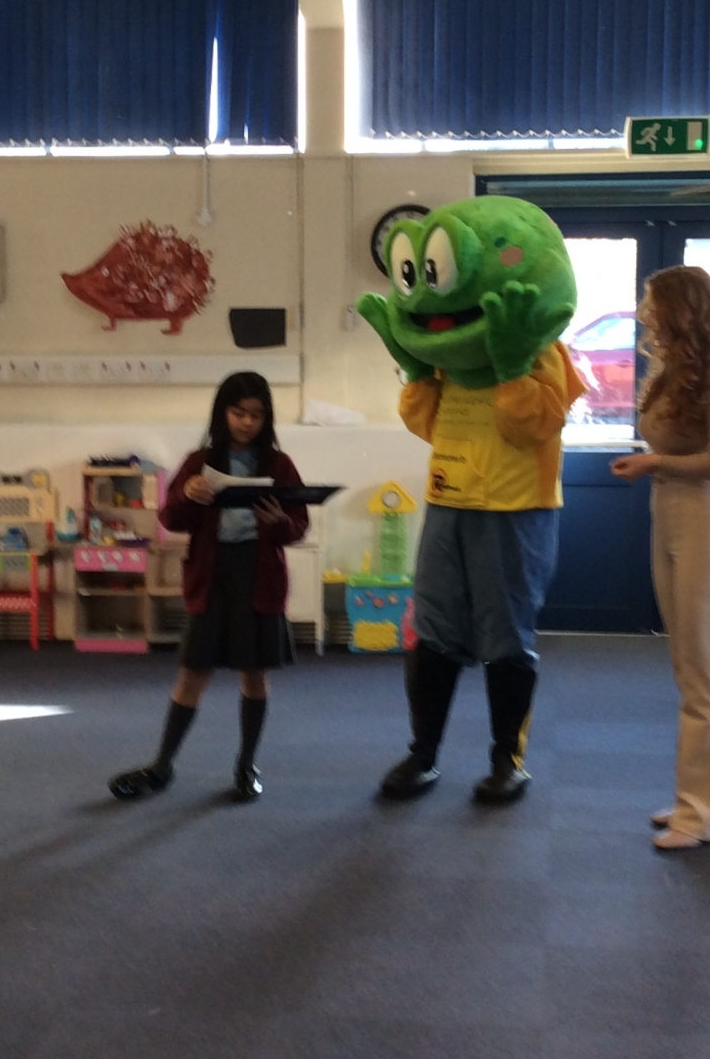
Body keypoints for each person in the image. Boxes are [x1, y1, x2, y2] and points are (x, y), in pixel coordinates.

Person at [356, 195, 584, 804]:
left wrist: (511, 368)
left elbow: (533, 425)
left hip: (515, 509)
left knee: (505, 637)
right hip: (448, 502)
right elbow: (428, 425)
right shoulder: (450, 361)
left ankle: (508, 760)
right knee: (433, 632)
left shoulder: (540, 350)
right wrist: (415, 371)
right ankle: (423, 753)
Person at [108, 372, 309, 802]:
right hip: (212, 576)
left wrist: (279, 522)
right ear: (223, 413)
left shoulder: (279, 465)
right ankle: (162, 766)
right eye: (239, 412)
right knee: (192, 672)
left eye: (256, 414)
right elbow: (170, 519)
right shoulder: (199, 462)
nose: (247, 422)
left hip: (259, 577)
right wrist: (187, 495)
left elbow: (298, 527)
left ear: (266, 418)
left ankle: (246, 765)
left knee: (254, 675)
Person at [610, 265, 710, 850]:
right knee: (687, 665)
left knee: (702, 669)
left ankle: (703, 815)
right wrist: (657, 465)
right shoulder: (672, 368)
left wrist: (653, 462)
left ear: (682, 308)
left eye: (652, 302)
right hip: (669, 512)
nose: (644, 312)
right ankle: (700, 799)